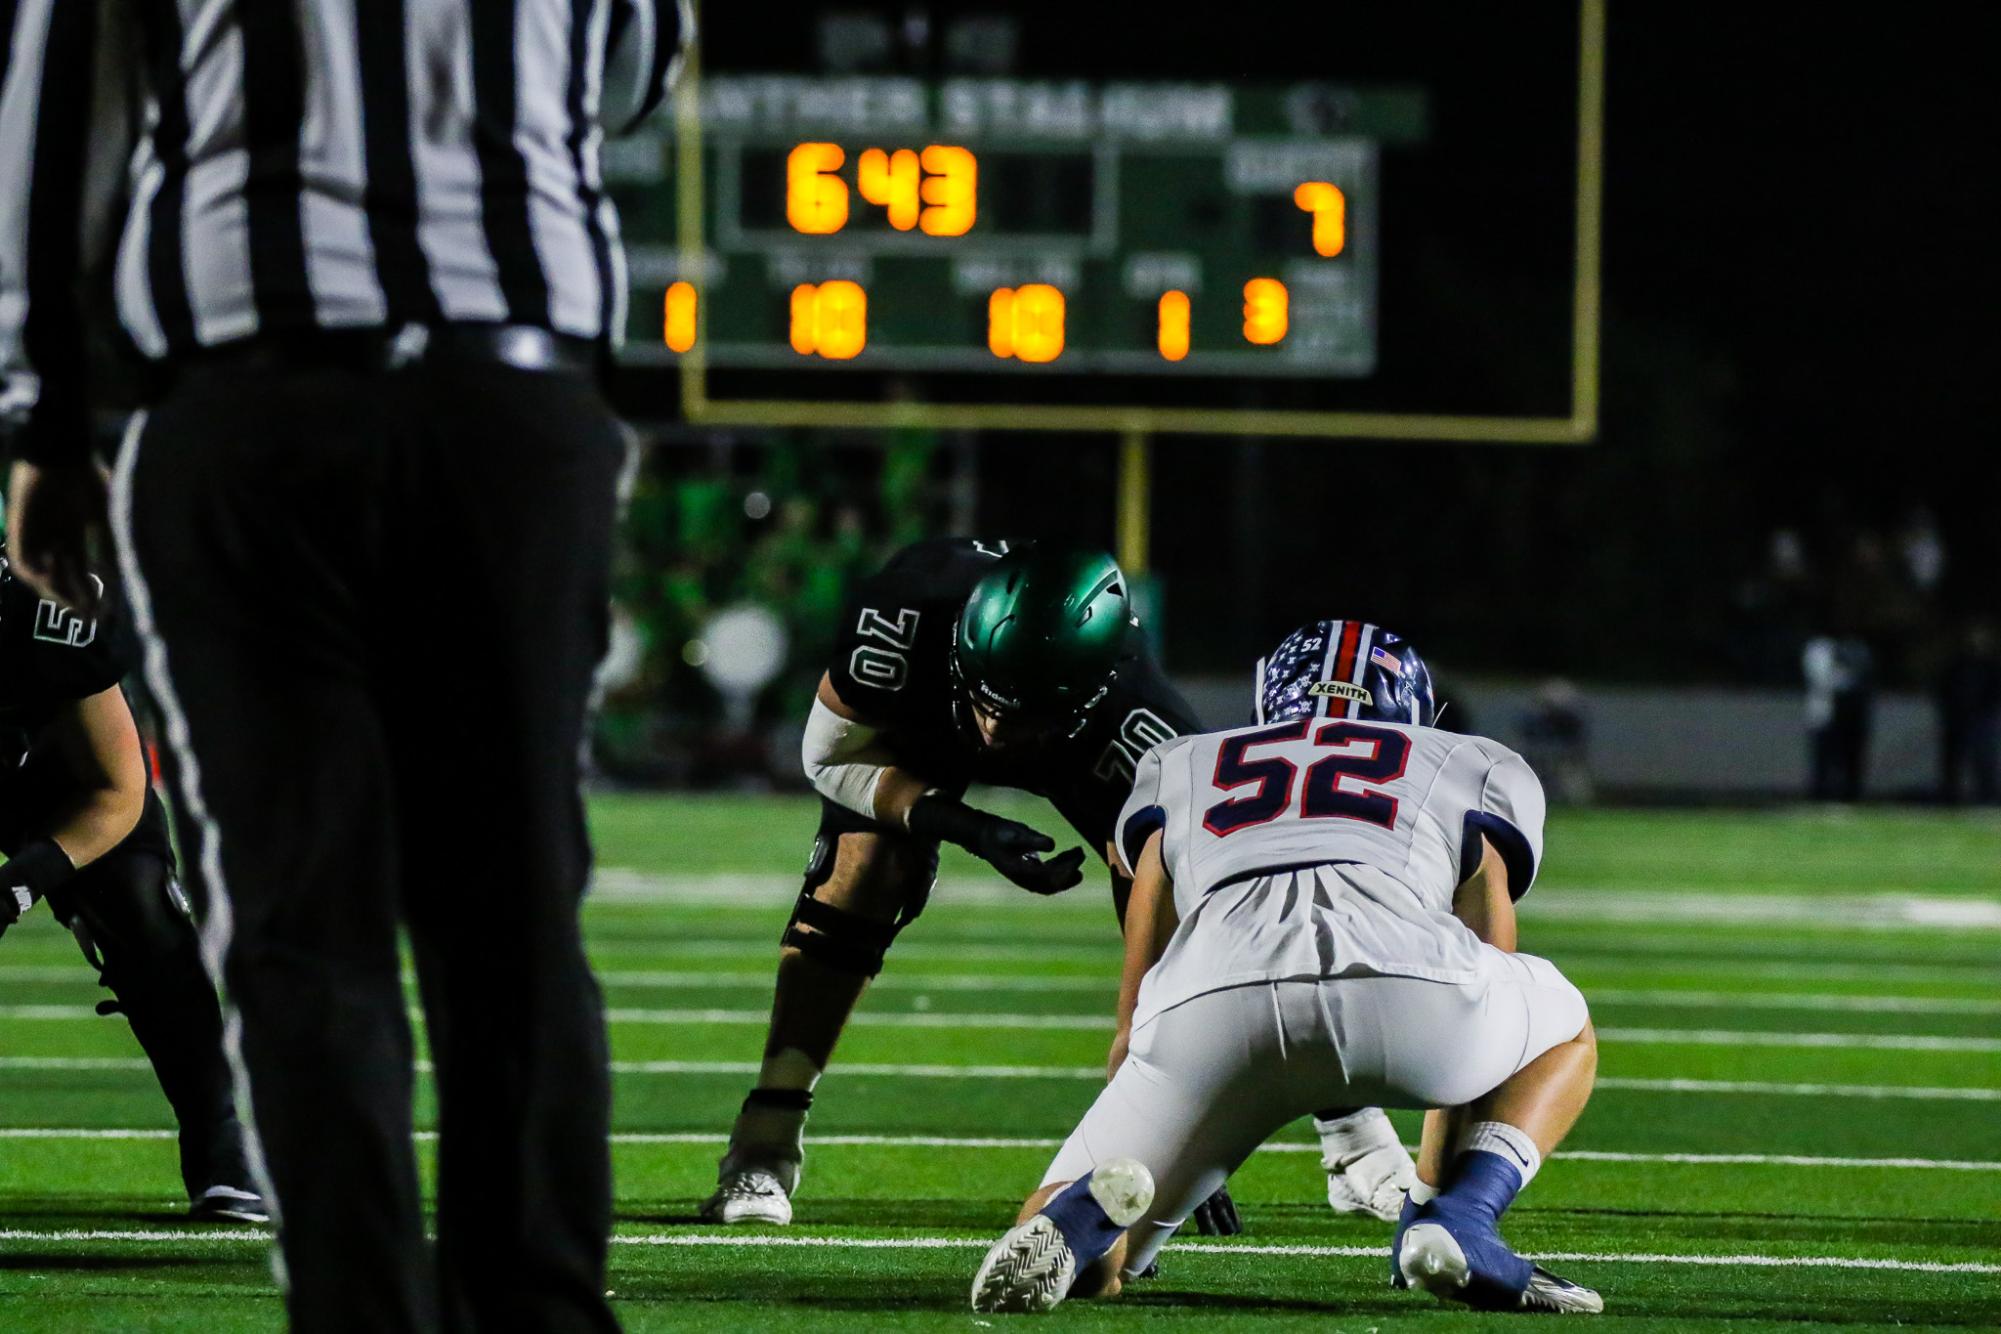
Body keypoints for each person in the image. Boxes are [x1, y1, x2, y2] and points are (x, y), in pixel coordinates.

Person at [1, 2, 691, 1328]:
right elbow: (629, 75)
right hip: (512, 389)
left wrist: (47, 412)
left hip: (253, 397)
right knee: (514, 917)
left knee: (302, 924)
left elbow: (56, 107)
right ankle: (537, 1309)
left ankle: (357, 1307)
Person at [703, 542, 1417, 1232]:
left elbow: (1198, 917)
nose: (992, 730)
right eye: (985, 701)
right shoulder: (907, 613)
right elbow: (827, 757)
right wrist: (963, 824)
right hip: (923, 729)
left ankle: (1351, 1134)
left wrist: (1168, 1130)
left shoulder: (1141, 728)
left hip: (1080, 747)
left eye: (1021, 714)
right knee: (863, 867)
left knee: (1216, 898)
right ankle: (764, 1138)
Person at [970, 620, 1602, 1315]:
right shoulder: (1475, 762)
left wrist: (1158, 1117)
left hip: (1206, 1008)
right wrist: (1428, 1203)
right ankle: (1463, 1218)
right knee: (1564, 1026)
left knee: (1063, 1217)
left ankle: (1085, 1226)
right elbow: (1486, 967)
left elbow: (1140, 979)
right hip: (1409, 991)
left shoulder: (1179, 761)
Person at [0, 556, 261, 1222]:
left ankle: (222, 1139)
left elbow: (118, 790)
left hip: (53, 781)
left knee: (139, 909)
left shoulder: (46, 606)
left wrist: (20, 885)